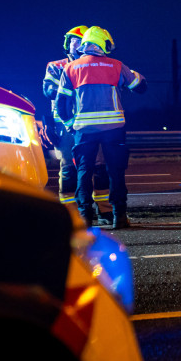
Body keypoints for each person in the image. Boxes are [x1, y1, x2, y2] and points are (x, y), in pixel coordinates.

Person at [55, 26, 146, 228]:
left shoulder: (71, 68)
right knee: (116, 173)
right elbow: (140, 88)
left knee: (84, 172)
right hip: (113, 130)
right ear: (102, 43)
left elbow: (61, 104)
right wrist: (136, 75)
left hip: (84, 130)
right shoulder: (116, 65)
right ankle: (119, 217)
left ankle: (84, 218)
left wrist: (71, 125)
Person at [43, 25, 111, 221]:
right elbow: (48, 90)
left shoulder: (93, 64)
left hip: (91, 124)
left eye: (82, 41)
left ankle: (104, 209)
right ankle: (70, 213)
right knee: (68, 169)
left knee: (99, 167)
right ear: (68, 43)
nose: (78, 44)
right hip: (65, 126)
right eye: (74, 40)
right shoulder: (56, 66)